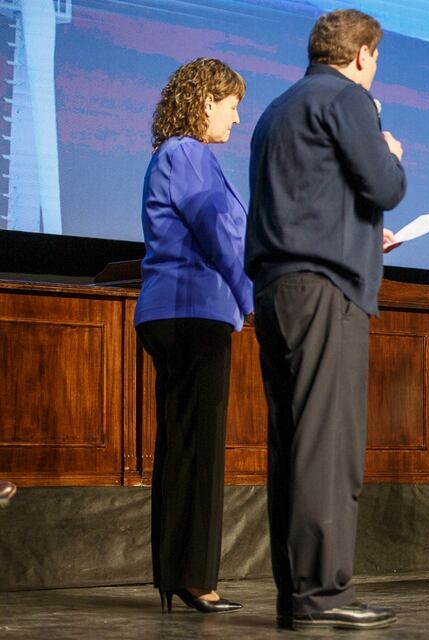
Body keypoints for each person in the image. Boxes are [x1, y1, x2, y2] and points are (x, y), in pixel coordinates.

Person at [245, 9, 406, 631]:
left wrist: (361, 231)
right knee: (327, 444)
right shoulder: (348, 100)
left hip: (277, 289)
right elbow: (384, 184)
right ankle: (324, 594)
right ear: (362, 54)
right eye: (376, 58)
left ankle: (298, 594)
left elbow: (308, 197)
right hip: (325, 292)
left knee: (292, 442)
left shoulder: (276, 109)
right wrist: (390, 151)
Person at [134, 58, 251, 614]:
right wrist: (255, 301)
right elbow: (222, 236)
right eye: (232, 105)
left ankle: (175, 575)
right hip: (194, 313)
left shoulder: (169, 156)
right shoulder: (189, 154)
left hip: (170, 312)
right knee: (199, 448)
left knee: (180, 446)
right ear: (206, 100)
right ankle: (196, 579)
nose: (236, 117)